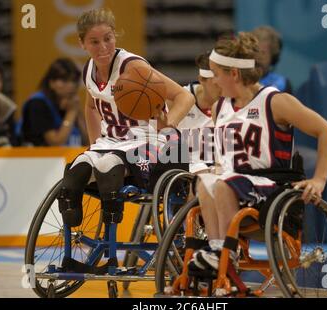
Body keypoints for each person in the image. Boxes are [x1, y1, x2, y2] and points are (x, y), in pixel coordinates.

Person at [190, 32, 327, 272]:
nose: (213, 81)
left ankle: (226, 252)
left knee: (222, 183)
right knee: (205, 180)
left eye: (216, 74)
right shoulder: (220, 107)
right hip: (232, 185)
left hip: (271, 188)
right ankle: (216, 249)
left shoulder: (275, 101)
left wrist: (319, 179)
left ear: (234, 74)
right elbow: (220, 159)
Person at [57, 8, 194, 261]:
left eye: (108, 38)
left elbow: (184, 96)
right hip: (112, 142)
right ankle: (72, 245)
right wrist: (93, 145)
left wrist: (168, 125)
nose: (103, 47)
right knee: (76, 170)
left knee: (109, 167)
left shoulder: (134, 66)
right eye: (94, 42)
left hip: (146, 140)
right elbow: (90, 106)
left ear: (115, 37)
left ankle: (110, 252)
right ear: (82, 43)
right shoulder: (88, 69)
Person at [21, 58, 88, 146]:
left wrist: (77, 113)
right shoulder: (37, 104)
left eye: (73, 81)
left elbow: (89, 142)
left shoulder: (70, 104)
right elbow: (55, 143)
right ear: (51, 82)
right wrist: (71, 112)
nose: (71, 86)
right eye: (64, 81)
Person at [177, 51, 221, 174]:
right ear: (202, 79)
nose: (222, 87)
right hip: (186, 166)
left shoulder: (231, 101)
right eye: (216, 84)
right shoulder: (180, 98)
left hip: (217, 167)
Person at [252, 26, 292, 94]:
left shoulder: (282, 84)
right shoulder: (241, 83)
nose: (258, 57)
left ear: (273, 56)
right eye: (255, 51)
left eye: (263, 53)